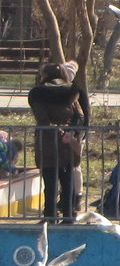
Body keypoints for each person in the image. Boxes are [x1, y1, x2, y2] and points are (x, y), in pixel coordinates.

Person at [28, 61, 90, 222]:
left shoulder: (39, 93)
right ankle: (69, 214)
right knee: (67, 176)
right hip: (68, 141)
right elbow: (80, 116)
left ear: (45, 75)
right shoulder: (71, 91)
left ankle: (50, 214)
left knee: (50, 179)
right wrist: (70, 132)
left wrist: (57, 131)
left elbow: (42, 119)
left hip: (48, 140)